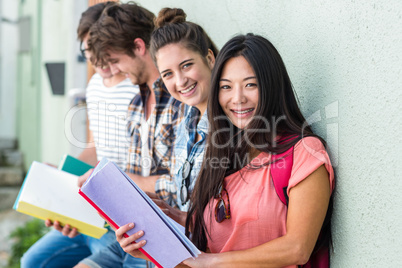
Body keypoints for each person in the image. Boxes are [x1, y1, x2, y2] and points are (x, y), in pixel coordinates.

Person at [118, 33, 335, 268]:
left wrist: (209, 261)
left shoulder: (304, 152)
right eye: (226, 87)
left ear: (272, 85)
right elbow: (213, 246)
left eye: (250, 84)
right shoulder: (223, 152)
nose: (237, 98)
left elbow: (297, 249)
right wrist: (156, 239)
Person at [21, 2, 140, 268]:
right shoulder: (95, 84)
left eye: (104, 50)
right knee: (33, 261)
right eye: (89, 50)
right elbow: (95, 148)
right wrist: (62, 182)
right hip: (91, 206)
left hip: (118, 216)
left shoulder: (137, 87)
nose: (98, 60)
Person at [74, 3, 184, 268]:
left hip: (165, 236)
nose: (116, 71)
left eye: (115, 61)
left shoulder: (179, 101)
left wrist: (122, 180)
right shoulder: (136, 104)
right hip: (132, 233)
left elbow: (181, 185)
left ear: (138, 47)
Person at [115, 8, 219, 255]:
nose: (180, 81)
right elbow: (182, 199)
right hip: (185, 250)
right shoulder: (186, 121)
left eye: (186, 65)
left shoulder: (231, 123)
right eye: (168, 74)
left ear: (210, 59)